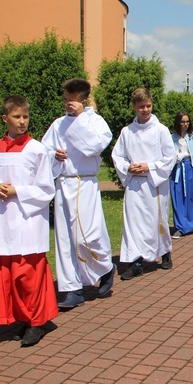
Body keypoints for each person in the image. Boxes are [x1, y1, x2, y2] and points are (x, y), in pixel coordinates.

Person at [0, 95, 58, 347]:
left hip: (28, 220)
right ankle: (19, 316)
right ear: (5, 118)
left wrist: (17, 192)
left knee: (28, 272)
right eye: (16, 117)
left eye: (25, 117)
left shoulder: (37, 149)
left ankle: (37, 321)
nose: (22, 122)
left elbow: (46, 188)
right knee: (9, 272)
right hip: (3, 219)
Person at [42, 78, 115, 309]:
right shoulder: (57, 124)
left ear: (83, 100)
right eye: (65, 100)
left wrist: (80, 118)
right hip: (64, 183)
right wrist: (54, 154)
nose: (67, 104)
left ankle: (105, 267)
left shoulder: (96, 122)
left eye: (71, 100)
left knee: (87, 235)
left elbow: (94, 146)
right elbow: (44, 149)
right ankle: (72, 289)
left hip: (86, 183)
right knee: (65, 239)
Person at [112, 88, 177, 280]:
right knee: (133, 224)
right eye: (141, 107)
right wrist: (128, 167)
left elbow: (169, 157)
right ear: (134, 107)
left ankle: (164, 251)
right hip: (134, 185)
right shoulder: (127, 132)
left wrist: (148, 166)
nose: (145, 110)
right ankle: (136, 261)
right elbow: (117, 156)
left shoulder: (161, 130)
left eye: (148, 106)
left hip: (154, 184)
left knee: (156, 222)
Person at [170, 112, 193, 239]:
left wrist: (186, 155)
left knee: (191, 196)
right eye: (183, 122)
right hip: (177, 170)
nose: (185, 124)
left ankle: (191, 223)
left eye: (187, 121)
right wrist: (176, 156)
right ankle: (180, 226)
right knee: (178, 197)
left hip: (191, 168)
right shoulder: (172, 137)